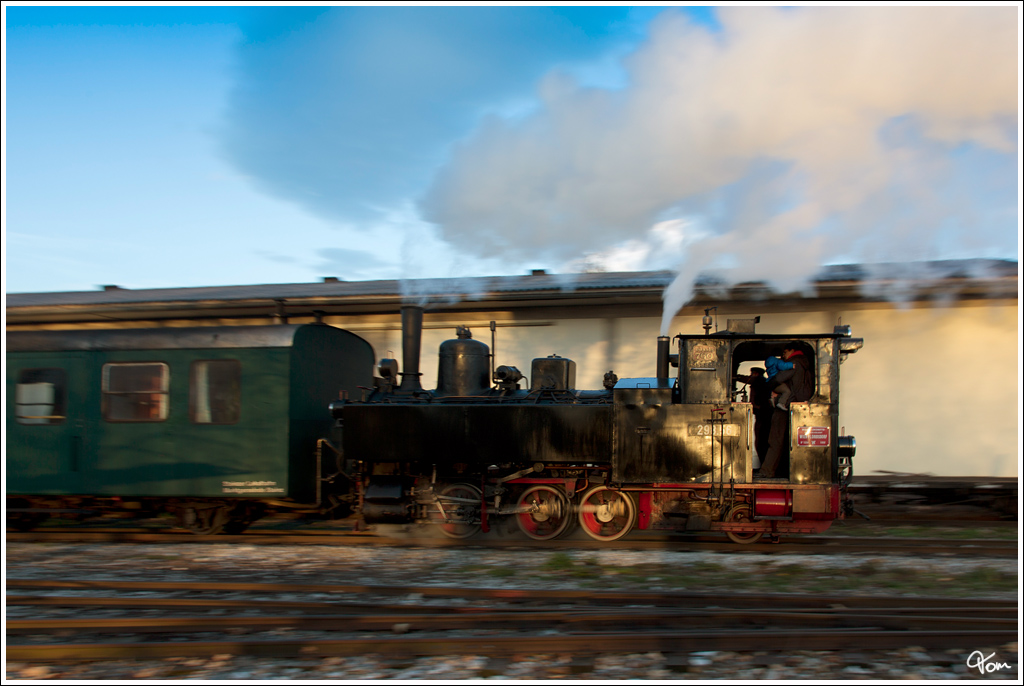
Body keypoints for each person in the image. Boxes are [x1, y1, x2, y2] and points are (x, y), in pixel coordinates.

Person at [756, 343, 814, 478]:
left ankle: (767, 471)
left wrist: (769, 386)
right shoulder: (806, 365)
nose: (783, 356)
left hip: (786, 406)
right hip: (800, 406)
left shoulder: (793, 363)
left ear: (792, 350)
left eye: (785, 352)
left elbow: (778, 379)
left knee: (775, 440)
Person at [735, 367, 772, 465]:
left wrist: (736, 377)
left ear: (755, 373)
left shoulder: (759, 381)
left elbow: (748, 379)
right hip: (762, 413)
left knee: (760, 439)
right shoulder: (763, 381)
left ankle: (763, 462)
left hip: (762, 413)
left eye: (751, 373)